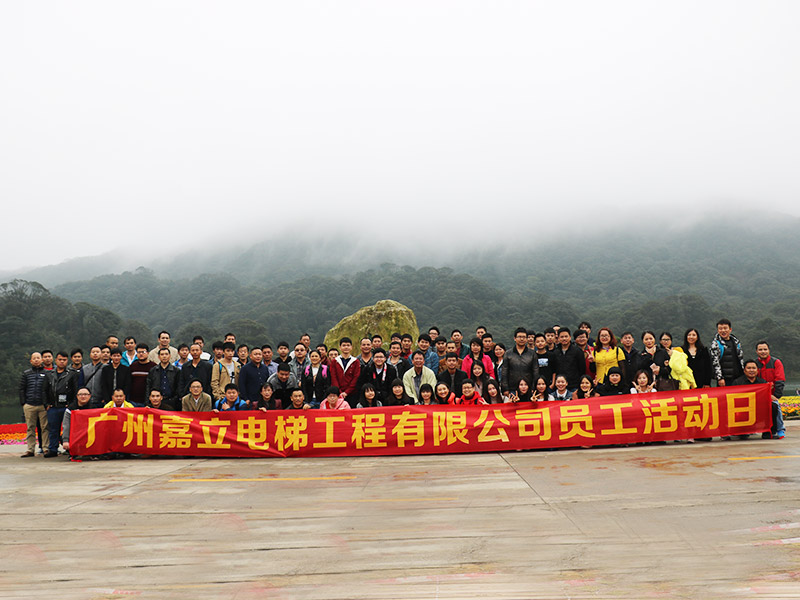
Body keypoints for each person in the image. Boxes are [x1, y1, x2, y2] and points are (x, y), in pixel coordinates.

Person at [42, 351, 77, 457]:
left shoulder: (72, 374)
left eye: (64, 360)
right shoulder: (49, 374)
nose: (62, 362)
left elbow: (75, 390)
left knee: (69, 428)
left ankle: (70, 449)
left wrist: (72, 404)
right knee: (53, 429)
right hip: (53, 406)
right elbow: (44, 390)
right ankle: (53, 449)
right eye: (60, 359)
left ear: (67, 361)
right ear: (56, 360)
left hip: (66, 406)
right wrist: (46, 403)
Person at [755, 341, 786, 439]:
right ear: (756, 351)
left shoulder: (776, 362)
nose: (763, 351)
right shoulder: (755, 364)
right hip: (759, 395)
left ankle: (780, 429)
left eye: (765, 349)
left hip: (772, 395)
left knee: (775, 405)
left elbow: (780, 380)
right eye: (760, 349)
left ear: (769, 350)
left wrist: (776, 395)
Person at [732, 360, 767, 440]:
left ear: (757, 370)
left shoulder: (762, 382)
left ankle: (768, 432)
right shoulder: (737, 382)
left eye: (754, 368)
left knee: (773, 406)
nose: (751, 370)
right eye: (749, 368)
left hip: (758, 407)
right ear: (744, 370)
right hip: (743, 408)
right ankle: (742, 431)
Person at [502, 327, 538, 394]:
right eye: (519, 337)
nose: (522, 339)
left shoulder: (532, 353)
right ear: (514, 338)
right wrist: (505, 388)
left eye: (524, 337)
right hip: (512, 388)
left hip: (528, 388)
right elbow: (504, 372)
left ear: (527, 339)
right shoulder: (508, 353)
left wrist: (534, 387)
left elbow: (535, 371)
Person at [709, 318, 744, 387]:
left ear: (730, 329)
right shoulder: (716, 344)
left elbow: (741, 359)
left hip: (738, 377)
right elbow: (715, 362)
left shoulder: (736, 342)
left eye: (725, 328)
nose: (723, 331)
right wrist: (720, 378)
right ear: (718, 330)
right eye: (720, 329)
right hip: (724, 379)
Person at [330, 337, 361, 407]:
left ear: (351, 347)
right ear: (340, 347)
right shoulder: (335, 361)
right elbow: (333, 377)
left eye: (348, 345)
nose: (346, 347)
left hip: (352, 393)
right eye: (344, 345)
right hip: (337, 394)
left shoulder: (355, 361)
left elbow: (356, 378)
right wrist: (339, 392)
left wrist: (347, 392)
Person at [551, 328, 585, 392]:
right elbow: (554, 369)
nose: (564, 339)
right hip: (559, 385)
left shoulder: (577, 351)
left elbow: (582, 369)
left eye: (566, 336)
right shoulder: (555, 352)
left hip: (574, 385)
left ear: (570, 337)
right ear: (558, 338)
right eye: (562, 337)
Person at [62, 387, 93, 455]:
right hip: (76, 435)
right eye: (80, 394)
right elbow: (66, 425)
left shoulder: (94, 408)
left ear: (90, 396)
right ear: (77, 396)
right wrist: (65, 440)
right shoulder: (70, 409)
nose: (83, 396)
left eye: (85, 394)